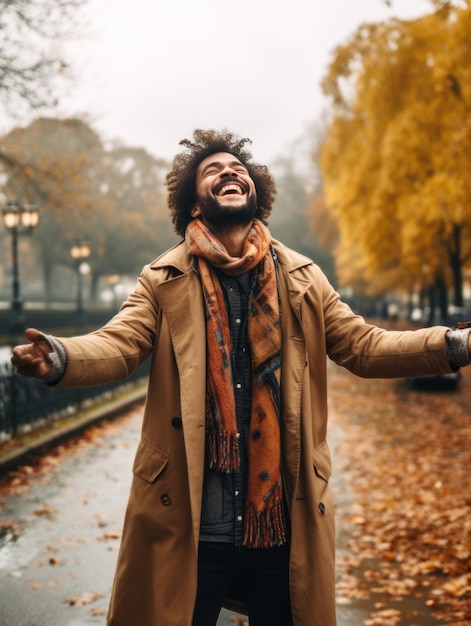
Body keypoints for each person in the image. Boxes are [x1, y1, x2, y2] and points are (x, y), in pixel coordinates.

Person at [11, 129, 471, 626]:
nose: (229, 172)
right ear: (193, 204)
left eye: (238, 168)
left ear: (256, 193)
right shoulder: (163, 278)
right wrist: (60, 357)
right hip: (191, 521)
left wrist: (455, 344)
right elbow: (119, 345)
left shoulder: (302, 277)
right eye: (213, 170)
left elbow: (363, 346)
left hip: (277, 522)